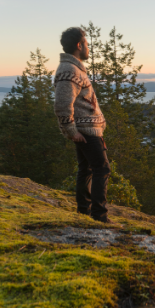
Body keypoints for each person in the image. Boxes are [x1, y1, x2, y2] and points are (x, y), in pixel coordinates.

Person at [54, 27, 111, 223]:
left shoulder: (74, 69)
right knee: (101, 169)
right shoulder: (69, 70)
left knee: (86, 169)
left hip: (87, 130)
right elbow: (62, 104)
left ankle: (84, 212)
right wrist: (70, 130)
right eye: (86, 44)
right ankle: (99, 216)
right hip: (86, 132)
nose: (88, 48)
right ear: (79, 45)